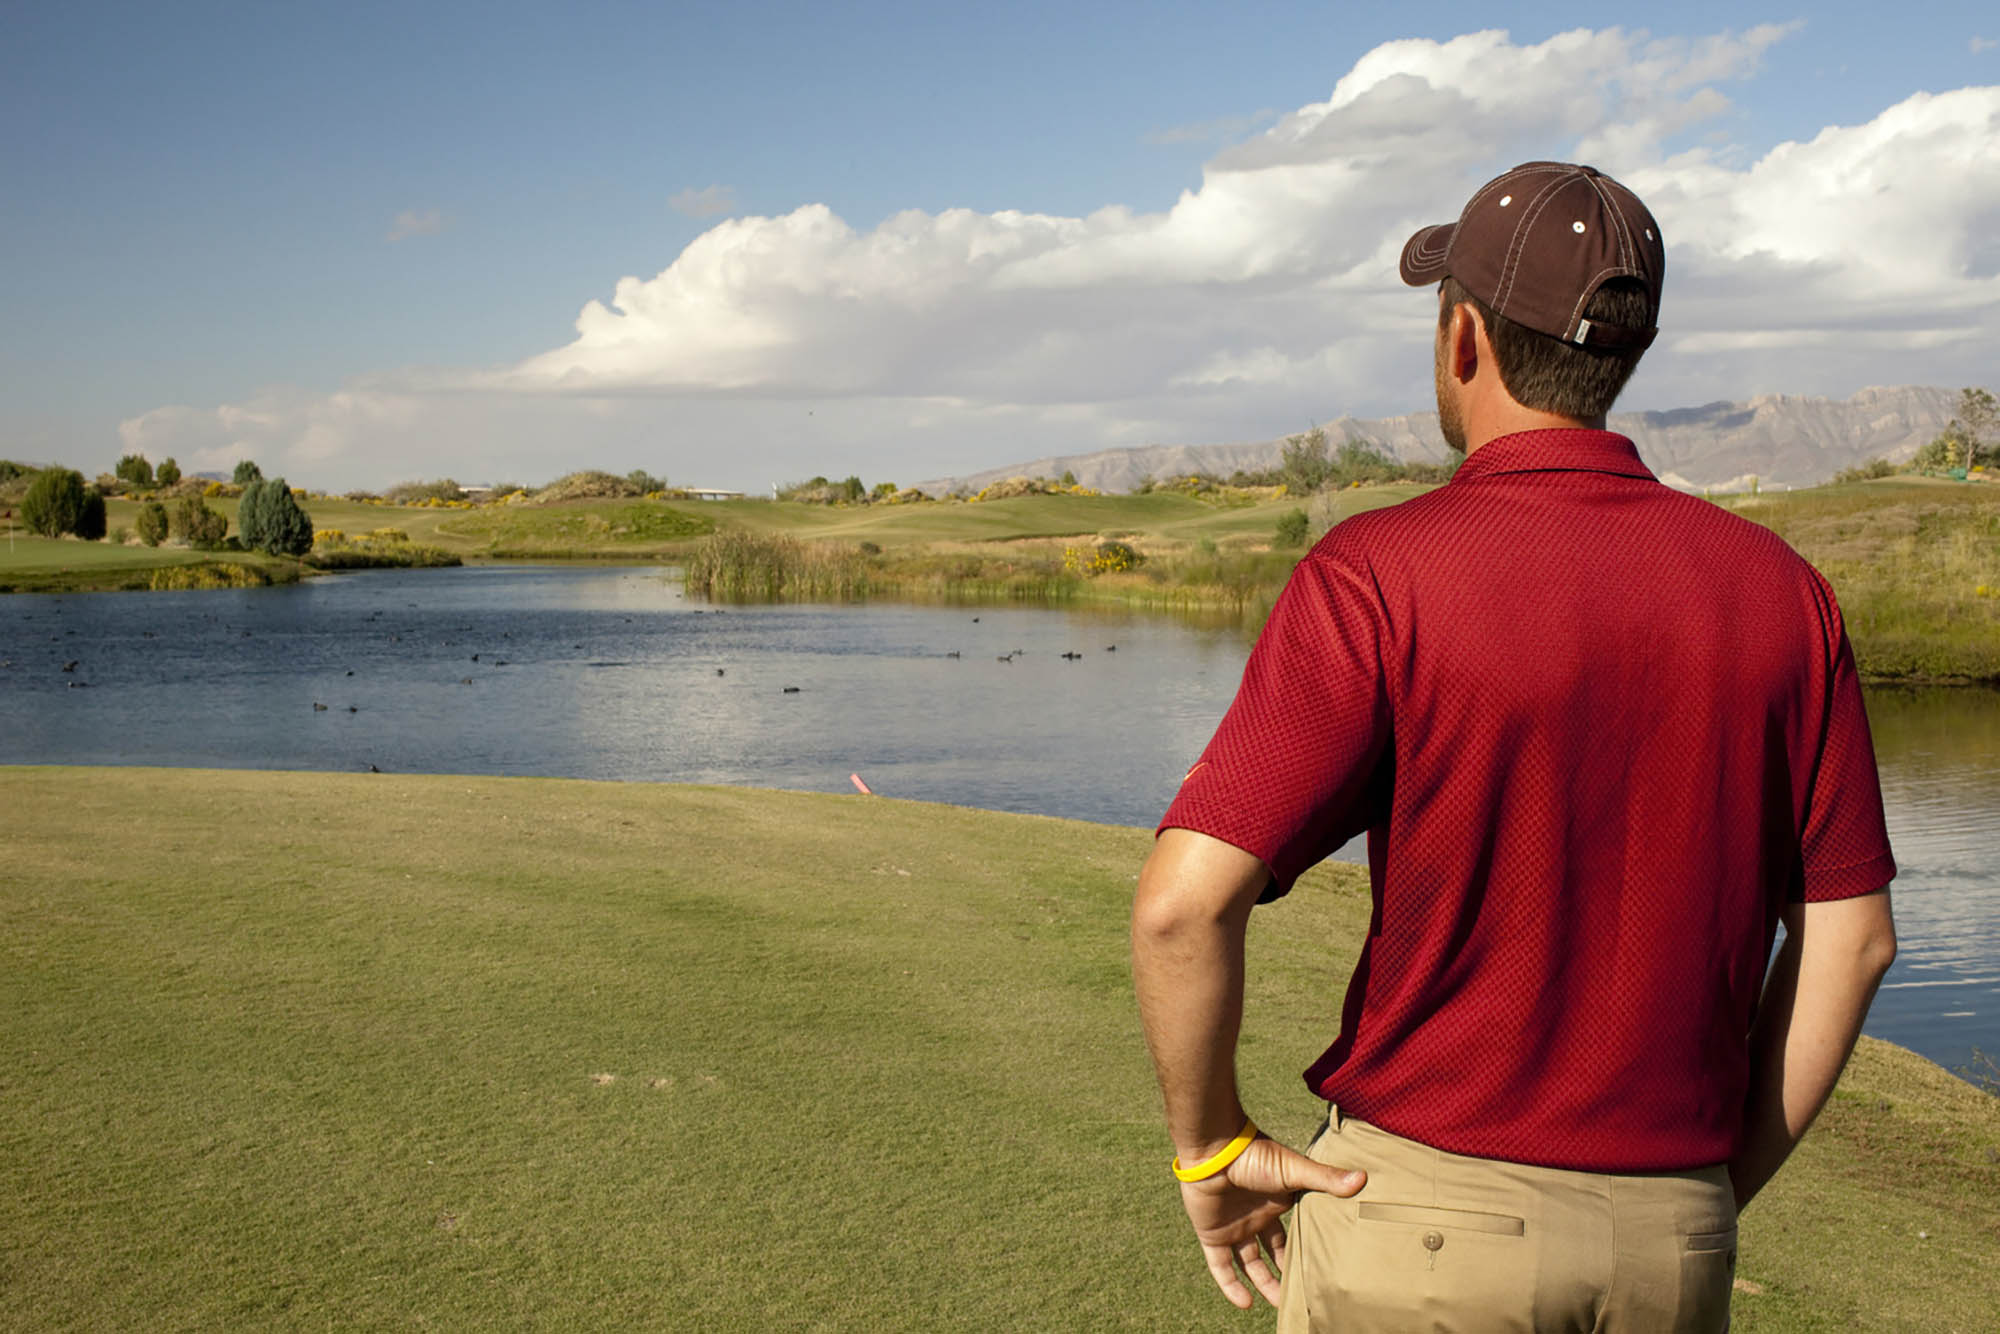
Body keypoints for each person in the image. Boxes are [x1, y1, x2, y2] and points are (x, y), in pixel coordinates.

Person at [1130, 161, 1898, 1332]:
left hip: (1421, 1221)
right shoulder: (1785, 594)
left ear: (1462, 341)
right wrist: (1699, 1194)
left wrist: (1207, 1147)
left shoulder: (1378, 572)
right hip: (1674, 1237)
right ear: (1621, 355)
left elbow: (1181, 907)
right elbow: (1850, 941)